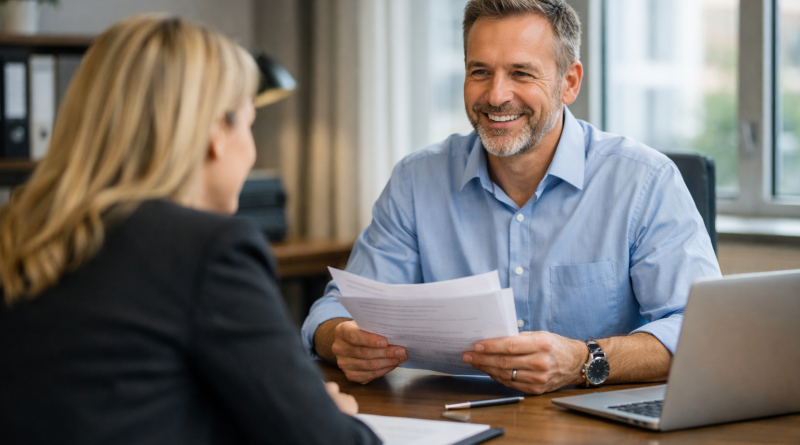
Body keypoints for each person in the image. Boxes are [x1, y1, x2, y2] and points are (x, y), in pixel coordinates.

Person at [302, 0, 721, 395]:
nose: (496, 95)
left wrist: (582, 360)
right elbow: (334, 310)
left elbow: (701, 332)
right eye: (480, 72)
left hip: (591, 423)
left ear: (569, 82)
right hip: (450, 419)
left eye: (521, 73)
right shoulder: (416, 180)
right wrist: (341, 339)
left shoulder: (644, 181)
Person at [0, 15, 380, 445]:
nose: (252, 149)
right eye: (249, 123)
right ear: (217, 132)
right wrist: (329, 415)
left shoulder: (17, 231)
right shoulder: (209, 251)